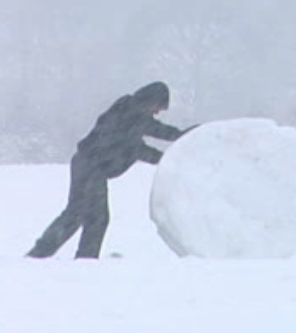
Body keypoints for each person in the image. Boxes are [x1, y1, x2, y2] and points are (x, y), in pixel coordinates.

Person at [26, 81, 196, 259]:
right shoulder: (131, 112)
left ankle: (57, 255)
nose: (157, 112)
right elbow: (147, 141)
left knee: (80, 215)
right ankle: (75, 258)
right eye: (158, 107)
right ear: (150, 99)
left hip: (87, 165)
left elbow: (145, 141)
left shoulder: (130, 112)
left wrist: (179, 141)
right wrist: (177, 146)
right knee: (92, 217)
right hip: (91, 167)